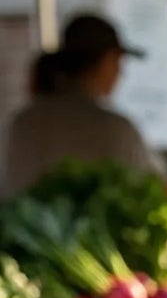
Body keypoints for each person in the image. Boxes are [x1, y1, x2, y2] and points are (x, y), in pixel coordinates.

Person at [2, 13, 153, 196]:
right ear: (106, 60)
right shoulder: (116, 130)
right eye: (118, 62)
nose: (121, 72)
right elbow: (142, 189)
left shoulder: (23, 122)